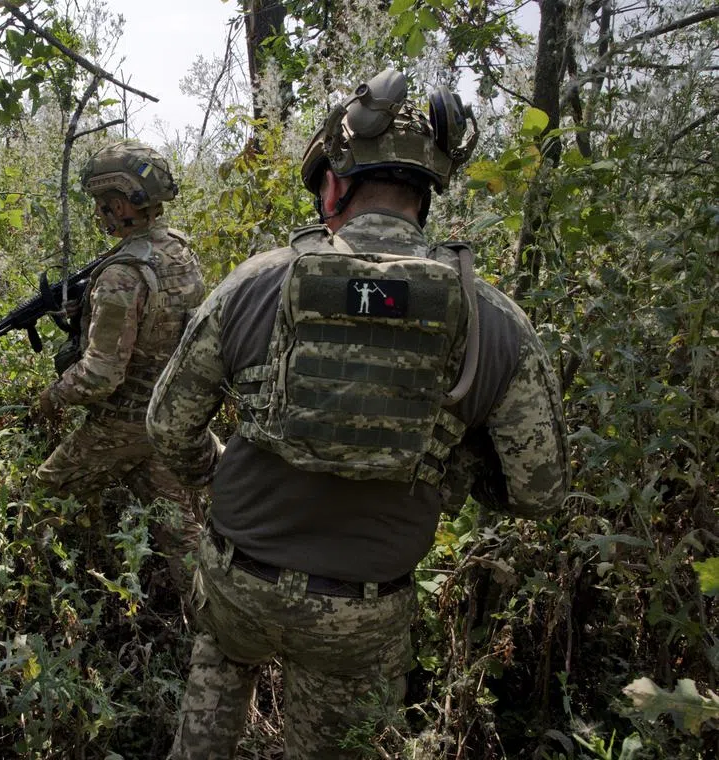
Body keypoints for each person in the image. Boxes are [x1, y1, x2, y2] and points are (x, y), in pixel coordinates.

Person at [146, 69, 570, 759]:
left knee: (210, 705)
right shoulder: (493, 319)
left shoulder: (255, 283)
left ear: (335, 185)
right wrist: (447, 463)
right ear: (427, 194)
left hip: (238, 583)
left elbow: (167, 427)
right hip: (361, 613)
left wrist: (213, 466)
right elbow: (540, 488)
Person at [35, 139, 206, 592]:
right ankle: (214, 617)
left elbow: (100, 375)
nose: (100, 213)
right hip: (167, 417)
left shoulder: (120, 273)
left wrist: (51, 399)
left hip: (122, 423)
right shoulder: (179, 253)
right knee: (181, 532)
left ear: (121, 202)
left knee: (41, 499)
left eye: (102, 203)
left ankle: (45, 586)